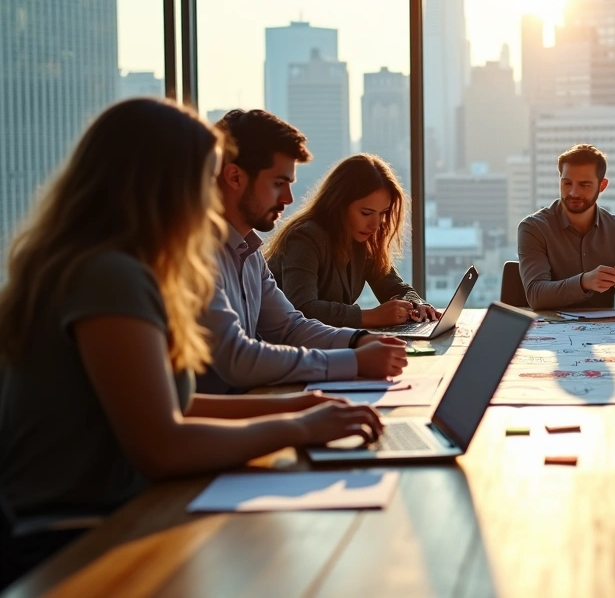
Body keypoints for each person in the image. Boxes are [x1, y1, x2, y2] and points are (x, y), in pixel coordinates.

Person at [0, 99, 383, 584]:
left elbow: (171, 407)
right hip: (73, 540)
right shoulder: (108, 276)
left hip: (111, 517)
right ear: (163, 184)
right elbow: (161, 445)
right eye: (206, 179)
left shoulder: (110, 266)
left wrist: (300, 408)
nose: (213, 197)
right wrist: (298, 429)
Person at [199, 110, 408, 394]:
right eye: (278, 184)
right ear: (235, 177)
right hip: (220, 413)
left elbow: (290, 327)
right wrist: (354, 360)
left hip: (250, 399)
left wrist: (358, 340)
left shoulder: (249, 252)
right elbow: (238, 359)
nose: (288, 199)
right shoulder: (197, 255)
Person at [265, 153, 437, 329]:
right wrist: (372, 317)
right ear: (338, 205)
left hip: (324, 342)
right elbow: (303, 308)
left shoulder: (362, 239)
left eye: (383, 213)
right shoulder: (305, 237)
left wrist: (417, 305)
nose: (375, 225)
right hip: (281, 342)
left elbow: (394, 287)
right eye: (366, 213)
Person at [517, 144, 615, 310]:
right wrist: (584, 282)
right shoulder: (533, 228)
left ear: (602, 186)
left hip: (604, 326)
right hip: (550, 325)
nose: (573, 192)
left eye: (584, 185)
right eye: (567, 183)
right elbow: (536, 295)